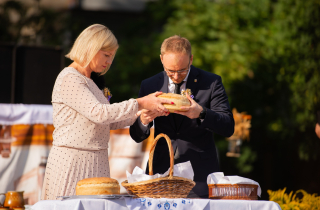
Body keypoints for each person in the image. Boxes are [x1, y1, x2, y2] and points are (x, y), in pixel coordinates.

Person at [41, 24, 172, 200]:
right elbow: (100, 113)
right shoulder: (69, 77)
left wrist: (144, 115)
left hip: (97, 160)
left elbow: (108, 121)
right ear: (91, 48)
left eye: (112, 56)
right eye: (106, 55)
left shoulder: (90, 81)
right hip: (73, 161)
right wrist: (140, 103)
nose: (109, 62)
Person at [129, 35, 235, 198]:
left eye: (182, 70)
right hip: (160, 172)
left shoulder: (211, 82)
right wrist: (144, 120)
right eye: (171, 71)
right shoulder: (149, 85)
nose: (177, 76)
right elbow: (136, 135)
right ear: (161, 59)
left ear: (191, 59)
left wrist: (201, 113)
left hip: (199, 173)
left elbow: (228, 126)